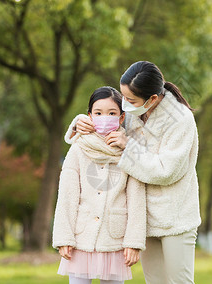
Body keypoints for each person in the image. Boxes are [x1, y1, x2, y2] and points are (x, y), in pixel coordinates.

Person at [67, 61, 201, 284]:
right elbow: (105, 121)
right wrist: (80, 123)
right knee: (155, 281)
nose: (124, 104)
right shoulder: (132, 112)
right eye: (123, 96)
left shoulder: (181, 120)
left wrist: (128, 146)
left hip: (175, 216)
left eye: (130, 100)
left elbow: (166, 171)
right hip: (145, 216)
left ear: (152, 99)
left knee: (179, 281)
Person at [52, 86, 146, 284]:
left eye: (112, 113)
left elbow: (136, 199)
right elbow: (67, 196)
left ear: (121, 118)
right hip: (81, 239)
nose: (105, 117)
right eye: (98, 113)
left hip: (115, 240)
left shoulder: (130, 151)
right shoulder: (78, 148)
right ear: (89, 116)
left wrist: (134, 242)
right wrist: (64, 237)